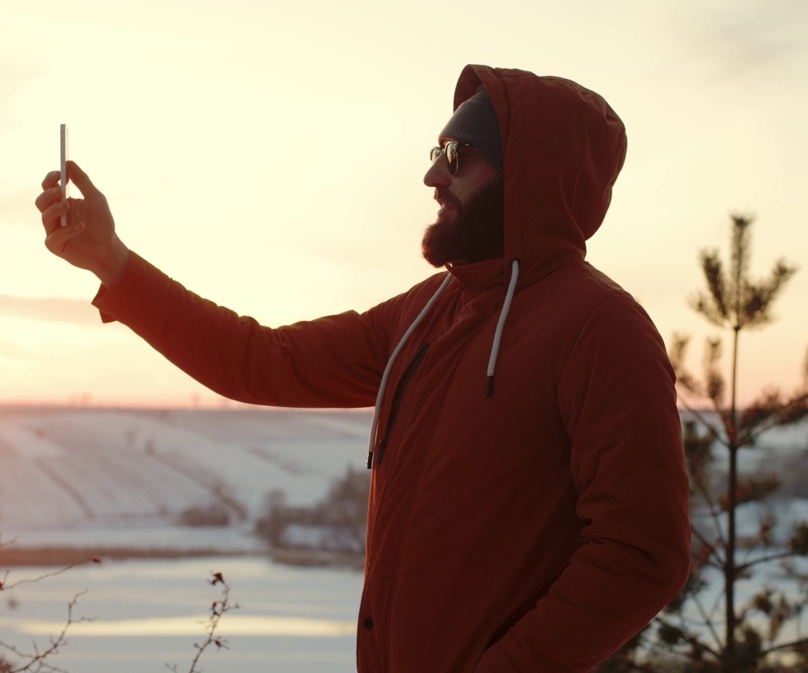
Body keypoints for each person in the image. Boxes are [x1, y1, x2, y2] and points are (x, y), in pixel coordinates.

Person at [35, 64, 690, 672]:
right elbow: (262, 362)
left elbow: (641, 553)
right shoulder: (426, 312)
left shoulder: (600, 328)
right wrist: (113, 263)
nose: (434, 177)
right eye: (437, 153)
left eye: (459, 156)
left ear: (531, 172)